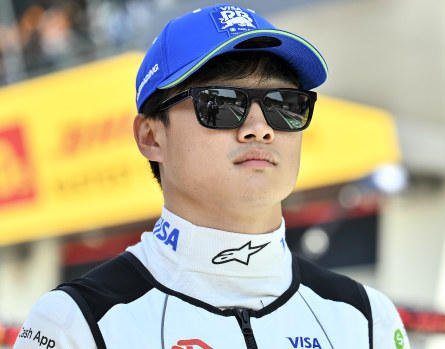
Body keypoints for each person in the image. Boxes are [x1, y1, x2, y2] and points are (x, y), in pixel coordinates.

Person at [15, 3, 410, 349]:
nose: (260, 127)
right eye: (221, 104)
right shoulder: (77, 323)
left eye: (284, 104)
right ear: (151, 137)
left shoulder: (366, 320)